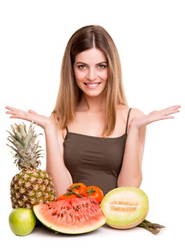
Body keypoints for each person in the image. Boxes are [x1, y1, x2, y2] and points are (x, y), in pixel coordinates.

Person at [5, 25, 181, 197]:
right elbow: (60, 192)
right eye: (82, 66)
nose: (91, 76)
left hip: (115, 222)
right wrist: (50, 129)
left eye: (101, 66)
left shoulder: (133, 118)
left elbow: (129, 189)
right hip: (73, 221)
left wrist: (134, 129)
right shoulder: (59, 118)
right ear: (71, 69)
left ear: (112, 68)